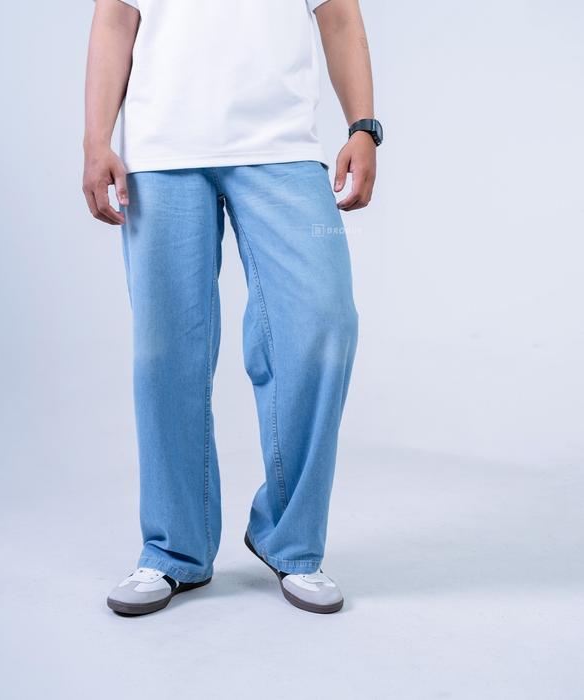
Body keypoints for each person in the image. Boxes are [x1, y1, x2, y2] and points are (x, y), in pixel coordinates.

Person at [83, 0, 381, 616]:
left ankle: (291, 542)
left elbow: (340, 15)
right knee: (166, 353)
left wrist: (363, 126)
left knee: (323, 325)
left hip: (281, 147)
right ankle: (173, 549)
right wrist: (95, 140)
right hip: (160, 154)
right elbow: (114, 18)